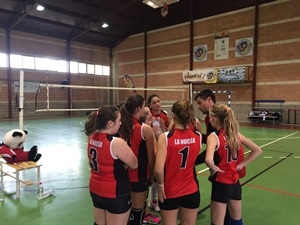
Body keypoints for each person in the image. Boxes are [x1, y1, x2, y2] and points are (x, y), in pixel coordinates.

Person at [205, 104, 262, 225]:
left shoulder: (214, 137)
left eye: (210, 117)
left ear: (214, 119)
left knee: (217, 223)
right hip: (235, 183)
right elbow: (257, 150)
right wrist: (241, 165)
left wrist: (214, 168)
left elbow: (208, 160)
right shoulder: (236, 135)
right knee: (236, 221)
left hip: (221, 183)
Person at [84, 105, 138, 225]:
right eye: (119, 120)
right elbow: (134, 164)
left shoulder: (91, 137)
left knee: (99, 223)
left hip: (96, 189)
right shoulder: (116, 143)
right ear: (110, 123)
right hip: (115, 192)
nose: (121, 123)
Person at [154, 100, 202, 225]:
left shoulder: (165, 138)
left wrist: (160, 185)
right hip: (191, 190)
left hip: (169, 191)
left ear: (173, 116)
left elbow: (158, 169)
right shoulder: (198, 136)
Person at [119, 94, 156, 225]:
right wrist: (151, 177)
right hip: (139, 176)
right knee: (138, 212)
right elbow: (151, 158)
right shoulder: (145, 129)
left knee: (124, 210)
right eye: (144, 105)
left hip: (122, 175)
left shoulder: (120, 125)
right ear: (139, 108)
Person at [140, 106, 161, 224]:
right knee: (142, 194)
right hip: (145, 170)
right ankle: (144, 215)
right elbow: (154, 153)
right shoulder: (147, 133)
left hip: (144, 169)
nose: (152, 121)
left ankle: (146, 212)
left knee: (144, 194)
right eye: (149, 120)